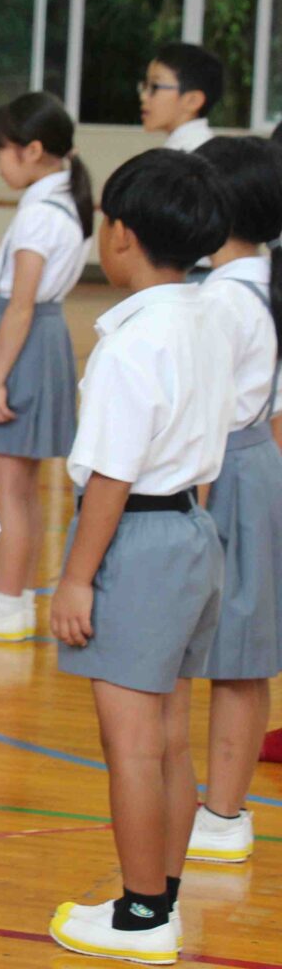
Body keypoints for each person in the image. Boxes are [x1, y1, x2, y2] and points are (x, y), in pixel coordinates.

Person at [47, 149, 233, 965]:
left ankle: (140, 915)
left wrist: (76, 577)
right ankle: (162, 898)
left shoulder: (131, 342)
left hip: (139, 538)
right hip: (193, 530)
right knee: (170, 737)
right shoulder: (208, 318)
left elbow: (111, 478)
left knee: (131, 744)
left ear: (120, 233)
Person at [0, 94, 93, 642]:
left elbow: (21, 304)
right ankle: (15, 596)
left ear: (33, 150)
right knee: (21, 484)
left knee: (8, 484)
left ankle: (10, 602)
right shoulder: (63, 202)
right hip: (40, 337)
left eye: (2, 151)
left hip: (24, 339)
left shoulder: (40, 213)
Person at [186, 136, 282, 866]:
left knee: (238, 658)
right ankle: (224, 809)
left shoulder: (223, 299)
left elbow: (204, 417)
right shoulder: (258, 283)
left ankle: (221, 814)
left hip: (229, 471)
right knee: (244, 655)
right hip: (256, 464)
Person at [140, 42, 223, 153]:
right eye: (145, 86)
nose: (143, 97)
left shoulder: (191, 154)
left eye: (154, 87)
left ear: (193, 101)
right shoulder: (192, 147)